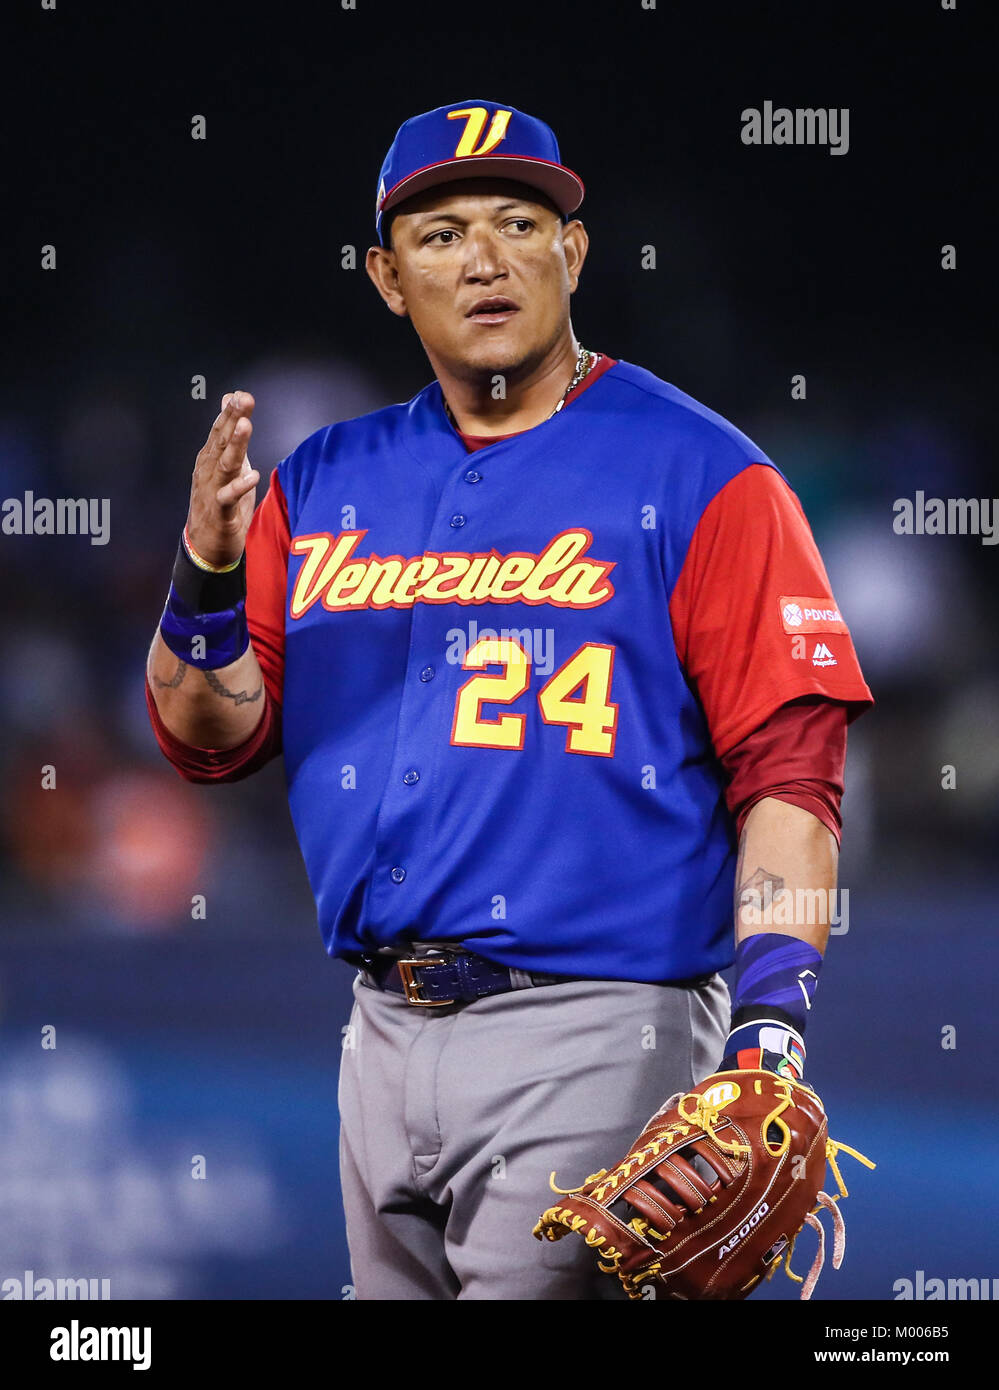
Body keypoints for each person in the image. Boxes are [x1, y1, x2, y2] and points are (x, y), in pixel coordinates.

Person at [145, 99, 874, 1300]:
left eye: (516, 221)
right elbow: (206, 736)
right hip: (378, 1033)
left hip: (602, 1033)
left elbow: (791, 777)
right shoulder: (326, 479)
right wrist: (208, 572)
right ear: (387, 277)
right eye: (438, 234)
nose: (481, 257)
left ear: (571, 252)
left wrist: (772, 1029)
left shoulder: (704, 473)